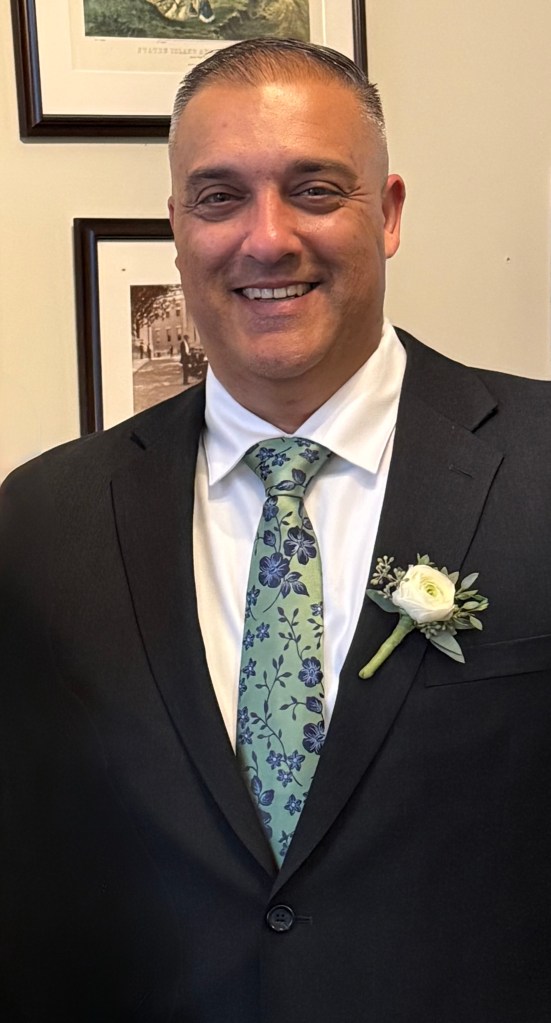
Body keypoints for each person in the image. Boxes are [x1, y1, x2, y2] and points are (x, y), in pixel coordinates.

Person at [1, 37, 550, 1023]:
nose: (266, 238)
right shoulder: (42, 521)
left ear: (383, 214)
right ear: (177, 227)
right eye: (218, 197)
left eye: (313, 189)